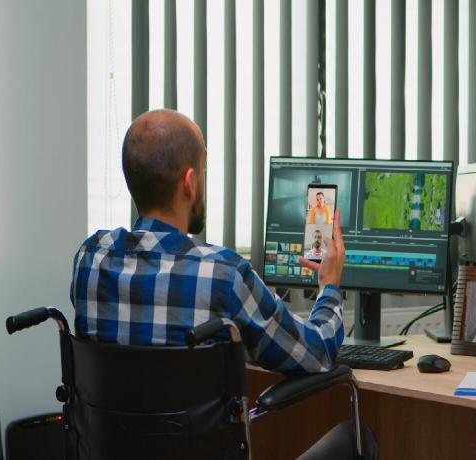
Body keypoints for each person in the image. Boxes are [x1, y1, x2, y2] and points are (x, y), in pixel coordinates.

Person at [70, 110, 377, 459]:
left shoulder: (89, 260)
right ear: (190, 182)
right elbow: (316, 354)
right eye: (203, 170)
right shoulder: (222, 273)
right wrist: (330, 286)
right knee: (358, 439)